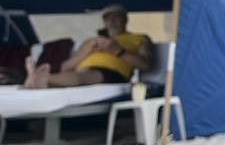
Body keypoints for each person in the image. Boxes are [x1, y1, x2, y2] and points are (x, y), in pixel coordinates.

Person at [24, 5, 152, 89]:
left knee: (85, 76)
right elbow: (66, 66)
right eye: (108, 18)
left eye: (116, 18)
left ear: (125, 20)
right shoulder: (92, 41)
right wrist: (87, 52)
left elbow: (145, 65)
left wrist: (119, 51)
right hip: (81, 70)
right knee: (75, 74)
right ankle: (40, 81)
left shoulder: (140, 39)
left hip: (113, 72)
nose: (112, 21)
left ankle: (41, 79)